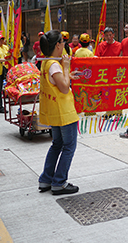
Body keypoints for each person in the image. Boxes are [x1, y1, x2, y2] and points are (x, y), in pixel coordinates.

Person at [38, 30, 80, 195]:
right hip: (64, 111)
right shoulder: (55, 64)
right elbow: (63, 88)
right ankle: (59, 182)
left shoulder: (47, 63)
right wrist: (67, 67)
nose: (64, 45)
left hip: (54, 111)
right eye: (63, 42)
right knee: (69, 146)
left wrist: (67, 74)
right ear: (57, 45)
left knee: (57, 145)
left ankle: (46, 179)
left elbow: (57, 81)